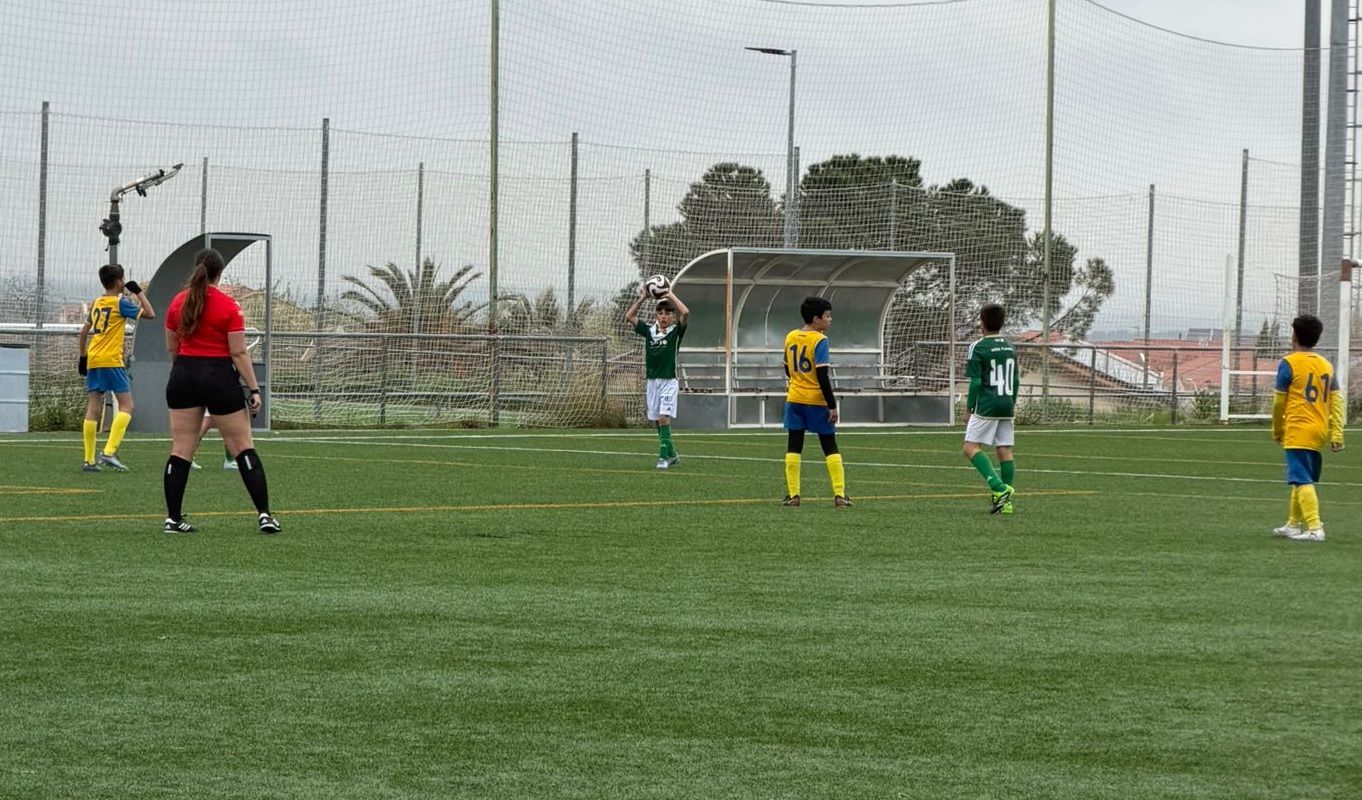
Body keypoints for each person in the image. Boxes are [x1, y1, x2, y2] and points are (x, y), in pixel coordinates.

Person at [161, 248, 280, 534]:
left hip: (183, 375)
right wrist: (254, 389)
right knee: (242, 446)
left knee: (181, 448)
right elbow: (238, 353)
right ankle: (264, 515)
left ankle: (173, 519)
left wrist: (184, 372)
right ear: (220, 272)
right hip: (218, 376)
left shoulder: (178, 301)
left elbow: (172, 347)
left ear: (196, 269)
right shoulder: (229, 306)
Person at [1271, 314, 1345, 542]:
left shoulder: (1289, 363)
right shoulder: (1326, 365)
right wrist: (1336, 432)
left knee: (1301, 479)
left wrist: (1278, 428)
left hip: (1298, 428)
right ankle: (1293, 525)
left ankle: (1314, 527)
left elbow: (1278, 402)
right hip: (1319, 430)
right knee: (1300, 476)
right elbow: (1337, 401)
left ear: (1294, 335)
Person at [77, 264, 154, 472]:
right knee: (127, 406)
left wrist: (83, 357)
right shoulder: (121, 302)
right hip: (111, 360)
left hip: (93, 359)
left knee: (93, 407)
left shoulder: (96, 303)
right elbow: (150, 313)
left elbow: (84, 332)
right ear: (120, 282)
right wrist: (138, 292)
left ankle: (89, 460)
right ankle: (109, 452)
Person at [781, 296, 851, 508]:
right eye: (827, 316)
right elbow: (822, 375)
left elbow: (786, 367)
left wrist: (798, 380)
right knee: (829, 445)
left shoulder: (791, 336)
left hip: (794, 399)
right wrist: (831, 405)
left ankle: (794, 495)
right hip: (816, 401)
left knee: (794, 446)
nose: (830, 320)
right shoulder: (820, 340)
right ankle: (840, 495)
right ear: (816, 319)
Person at [625, 283, 689, 469]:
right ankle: (673, 455)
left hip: (669, 381)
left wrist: (671, 295)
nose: (664, 316)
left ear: (672, 317)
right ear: (656, 315)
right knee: (656, 422)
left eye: (668, 313)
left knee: (663, 418)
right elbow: (629, 316)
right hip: (652, 382)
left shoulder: (676, 332)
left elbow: (686, 313)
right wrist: (643, 298)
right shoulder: (649, 331)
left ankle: (663, 459)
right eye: (661, 313)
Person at [963, 303, 1017, 514]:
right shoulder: (1009, 346)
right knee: (1004, 448)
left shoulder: (979, 347)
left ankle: (1000, 489)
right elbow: (1015, 378)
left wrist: (969, 408)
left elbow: (976, 382)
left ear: (981, 322)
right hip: (1006, 402)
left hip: (987, 403)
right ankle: (1006, 503)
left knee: (970, 447)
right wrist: (1011, 401)